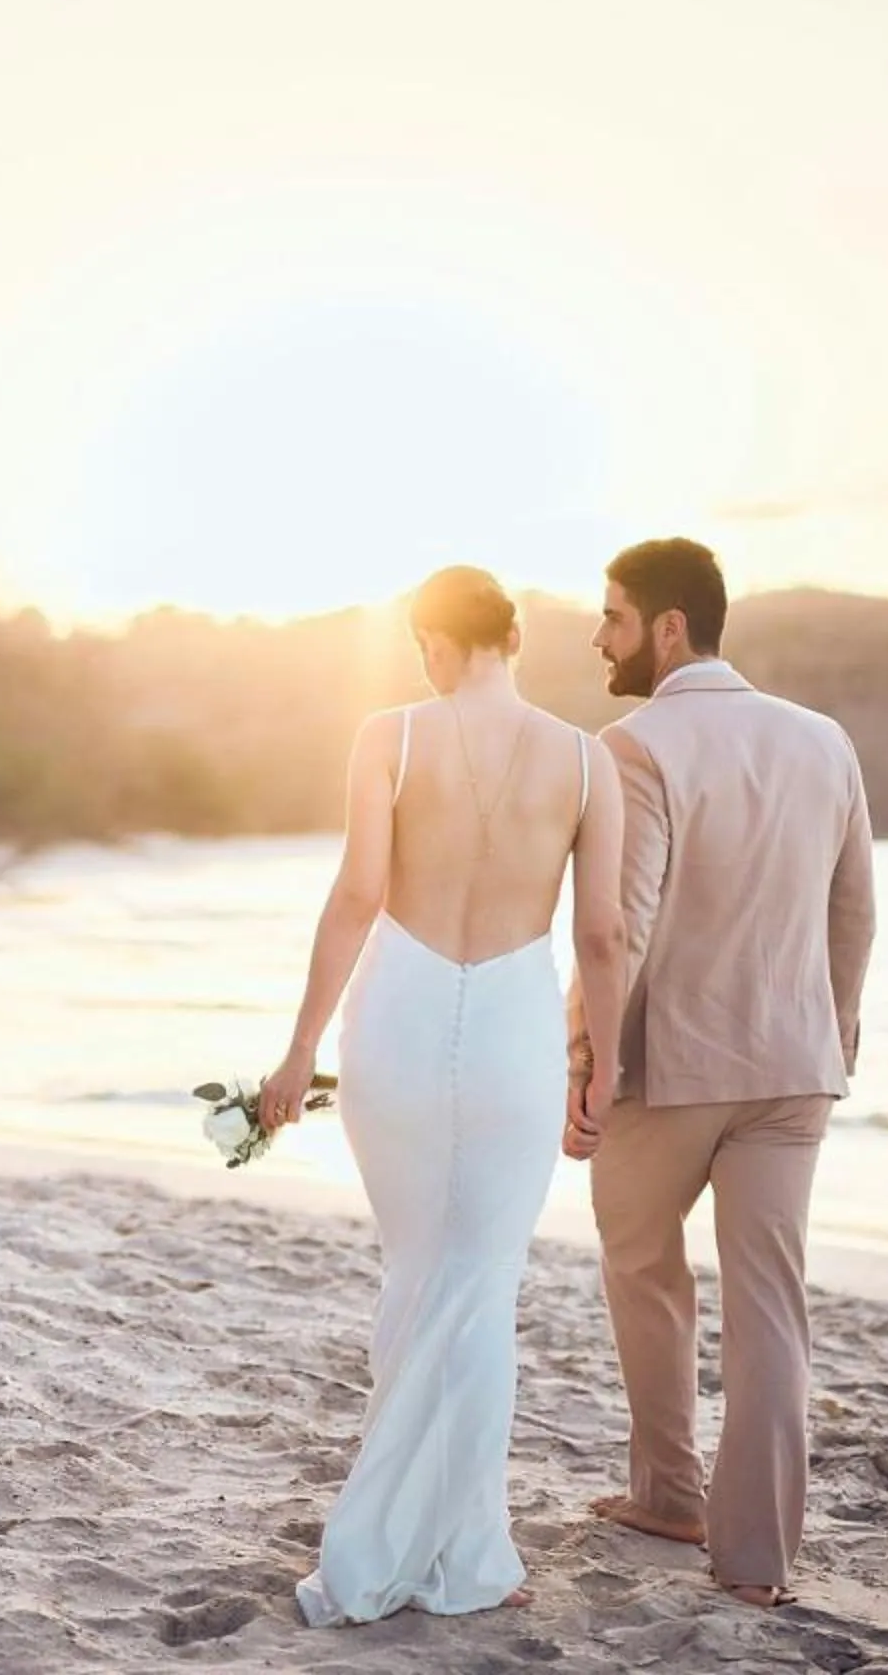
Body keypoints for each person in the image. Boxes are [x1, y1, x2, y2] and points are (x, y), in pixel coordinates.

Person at [259, 564, 628, 1626]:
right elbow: (602, 933)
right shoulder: (585, 757)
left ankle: (399, 1537)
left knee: (422, 1270)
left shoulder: (390, 735)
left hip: (401, 1017)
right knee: (479, 1285)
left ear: (435, 639)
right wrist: (604, 1064)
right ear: (514, 635)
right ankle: (463, 1549)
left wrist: (298, 1049)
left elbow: (357, 895)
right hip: (514, 1021)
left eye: (424, 643)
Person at [568, 537, 877, 1610]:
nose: (597, 638)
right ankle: (756, 1560)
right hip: (797, 1068)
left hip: (676, 1066)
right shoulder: (823, 738)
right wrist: (832, 1033)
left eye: (610, 617)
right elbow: (854, 909)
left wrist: (590, 1060)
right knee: (771, 1307)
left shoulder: (635, 743)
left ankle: (667, 1490)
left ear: (666, 626)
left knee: (644, 1268)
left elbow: (622, 921)